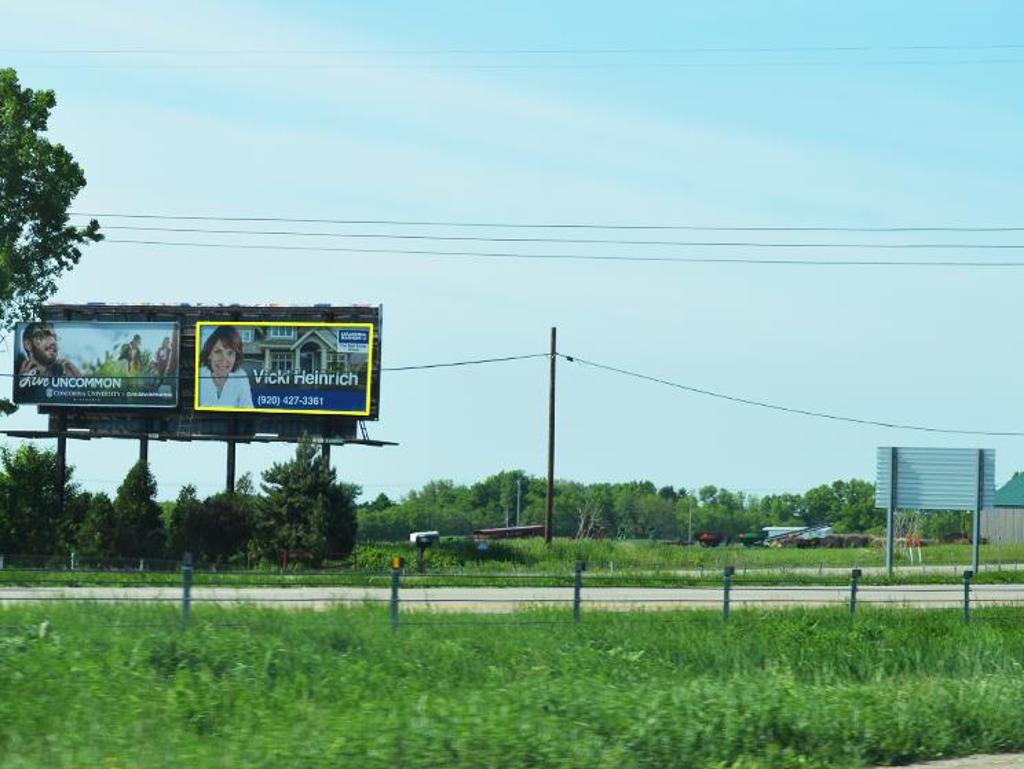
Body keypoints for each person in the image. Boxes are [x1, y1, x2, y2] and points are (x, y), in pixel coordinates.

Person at [197, 325, 253, 408]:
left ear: (235, 357)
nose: (224, 360)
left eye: (230, 353)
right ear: (209, 354)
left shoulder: (241, 377)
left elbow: (248, 412)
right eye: (218, 351)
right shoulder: (199, 374)